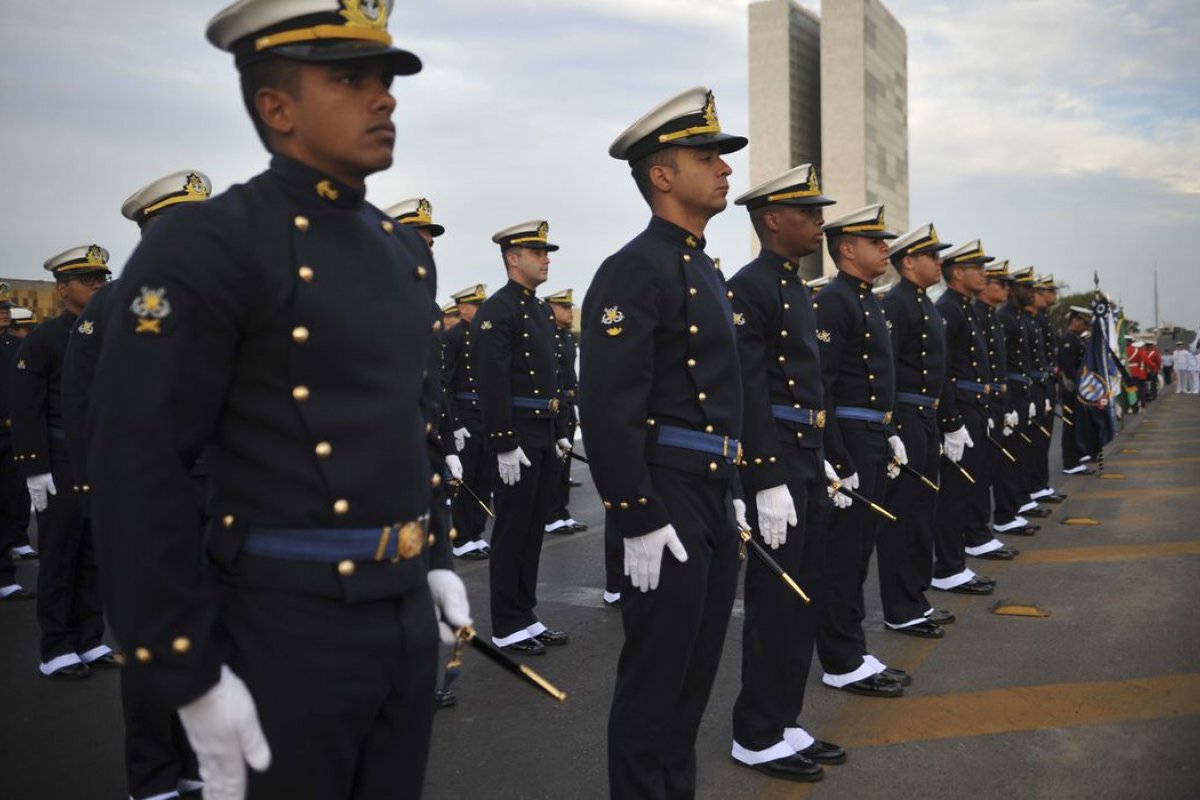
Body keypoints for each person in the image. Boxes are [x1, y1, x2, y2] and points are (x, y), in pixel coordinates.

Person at [88, 2, 470, 796]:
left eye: (386, 78)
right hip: (284, 622)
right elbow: (140, 466)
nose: (384, 97)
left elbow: (406, 422)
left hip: (399, 612)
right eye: (350, 78)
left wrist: (429, 557)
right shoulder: (207, 243)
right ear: (277, 106)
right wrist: (185, 673)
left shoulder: (402, 250)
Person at [581, 86, 745, 799]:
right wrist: (635, 513)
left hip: (709, 491)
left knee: (694, 678)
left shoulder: (704, 266)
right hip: (667, 494)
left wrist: (733, 488)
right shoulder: (634, 268)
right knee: (655, 686)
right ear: (661, 174)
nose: (725, 169)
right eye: (705, 156)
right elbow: (608, 404)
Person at [726, 163, 846, 782]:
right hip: (775, 460)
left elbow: (803, 383)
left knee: (805, 594)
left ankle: (783, 717)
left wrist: (819, 452)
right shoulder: (750, 286)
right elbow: (746, 388)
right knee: (777, 600)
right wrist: (766, 476)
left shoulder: (795, 285)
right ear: (774, 219)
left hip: (802, 453)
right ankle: (755, 731)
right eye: (809, 212)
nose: (821, 221)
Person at [811, 203, 911, 698]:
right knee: (843, 557)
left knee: (861, 551)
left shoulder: (867, 299)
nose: (885, 247)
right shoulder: (835, 300)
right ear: (847, 249)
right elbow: (822, 385)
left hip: (871, 435)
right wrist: (836, 456)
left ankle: (853, 647)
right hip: (849, 439)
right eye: (876, 242)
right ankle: (840, 658)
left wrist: (887, 428)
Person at [10, 245, 116, 678]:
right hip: (61, 456)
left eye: (100, 279)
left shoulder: (111, 333)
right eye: (87, 280)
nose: (96, 286)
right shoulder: (43, 340)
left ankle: (89, 638)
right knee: (59, 552)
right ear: (62, 288)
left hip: (100, 455)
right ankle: (56, 645)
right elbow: (26, 406)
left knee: (94, 550)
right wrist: (34, 465)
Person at [473, 220, 570, 654]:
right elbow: (491, 383)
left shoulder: (536, 309)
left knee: (532, 530)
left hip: (542, 431)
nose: (546, 258)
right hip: (516, 432)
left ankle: (524, 614)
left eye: (547, 252)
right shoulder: (499, 310)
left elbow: (552, 379)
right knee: (512, 529)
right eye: (538, 252)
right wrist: (503, 441)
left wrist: (561, 431)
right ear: (514, 258)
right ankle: (505, 622)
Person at [879, 224, 962, 632]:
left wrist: (948, 422)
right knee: (904, 515)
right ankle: (899, 608)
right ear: (908, 261)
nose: (939, 262)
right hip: (907, 418)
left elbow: (940, 370)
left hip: (926, 418)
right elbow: (886, 369)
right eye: (932, 256)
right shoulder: (896, 303)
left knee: (922, 513)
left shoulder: (924, 303)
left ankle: (915, 595)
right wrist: (891, 425)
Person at [930, 240, 1007, 596]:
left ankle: (956, 561)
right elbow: (942, 370)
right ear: (958, 273)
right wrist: (951, 420)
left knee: (969, 487)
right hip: (959, 408)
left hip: (973, 407)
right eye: (979, 268)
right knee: (954, 492)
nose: (986, 274)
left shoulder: (965, 308)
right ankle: (947, 566)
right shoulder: (948, 308)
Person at [973, 260, 1023, 552]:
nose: (1006, 289)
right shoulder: (977, 314)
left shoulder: (989, 316)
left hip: (992, 400)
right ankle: (977, 534)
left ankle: (987, 526)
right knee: (975, 476)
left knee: (991, 467)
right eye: (1000, 283)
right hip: (977, 402)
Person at [440, 283, 493, 559]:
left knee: (485, 476)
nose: (482, 311)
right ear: (462, 308)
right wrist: (455, 422)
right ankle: (461, 537)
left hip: (484, 414)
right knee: (467, 479)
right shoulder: (454, 337)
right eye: (477, 306)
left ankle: (476, 532)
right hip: (465, 414)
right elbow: (445, 384)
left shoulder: (484, 334)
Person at [993, 267, 1043, 535]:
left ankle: (1017, 503)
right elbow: (1001, 365)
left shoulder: (1019, 318)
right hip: (1010, 392)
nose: (1032, 294)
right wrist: (1008, 403)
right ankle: (1005, 512)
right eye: (1028, 289)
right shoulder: (1005, 317)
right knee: (1009, 458)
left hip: (1023, 392)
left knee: (1022, 453)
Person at [0, 283, 36, 600]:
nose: (4, 313)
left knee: (10, 498)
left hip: (9, 434)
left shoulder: (16, 347)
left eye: (6, 308)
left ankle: (4, 576)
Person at [542, 288, 586, 535]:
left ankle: (562, 511)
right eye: (564, 307)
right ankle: (551, 515)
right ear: (551, 310)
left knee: (565, 462)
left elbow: (571, 375)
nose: (570, 311)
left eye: (570, 307)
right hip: (555, 405)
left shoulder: (568, 337)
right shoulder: (547, 336)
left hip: (568, 405)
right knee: (554, 464)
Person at [1059, 306, 1095, 475]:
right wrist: (1083, 383)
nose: (1086, 326)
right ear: (1075, 320)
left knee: (1078, 426)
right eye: (1084, 322)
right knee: (1070, 427)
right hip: (1071, 390)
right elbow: (1069, 369)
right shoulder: (1067, 340)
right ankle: (1070, 462)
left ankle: (1078, 456)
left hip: (1080, 389)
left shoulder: (1077, 339)